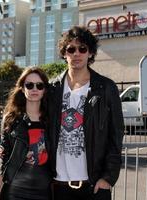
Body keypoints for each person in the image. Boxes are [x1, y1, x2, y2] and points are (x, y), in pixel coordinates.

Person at [48, 26, 124, 200]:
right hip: (58, 185)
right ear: (64, 53)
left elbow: (116, 136)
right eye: (71, 49)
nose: (76, 53)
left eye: (82, 48)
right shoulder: (52, 89)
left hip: (94, 185)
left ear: (90, 53)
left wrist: (108, 178)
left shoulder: (106, 88)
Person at [0, 67, 52, 200]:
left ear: (45, 89)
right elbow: (4, 163)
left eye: (39, 85)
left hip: (44, 191)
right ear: (22, 88)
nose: (34, 89)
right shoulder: (12, 120)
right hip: (15, 191)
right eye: (29, 85)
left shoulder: (52, 120)